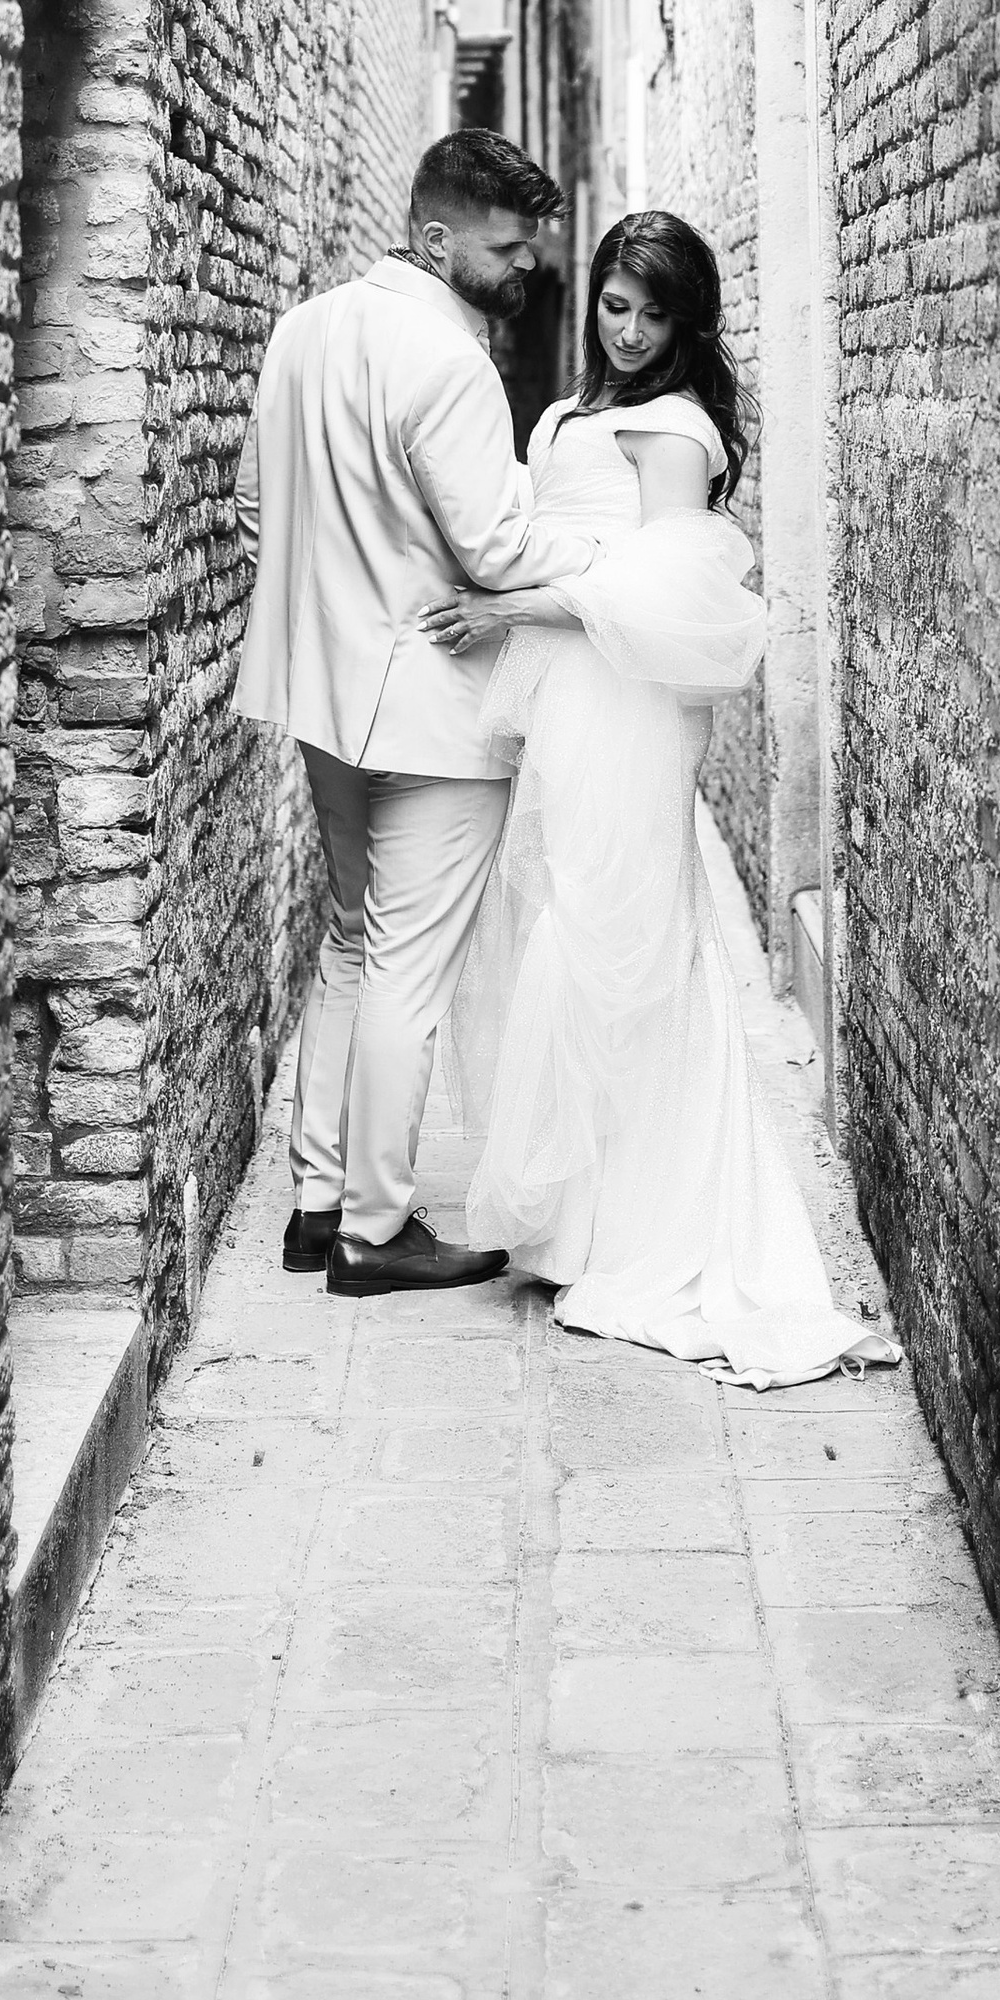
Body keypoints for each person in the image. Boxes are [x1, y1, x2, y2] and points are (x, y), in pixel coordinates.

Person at [416, 210, 882, 1387]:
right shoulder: (568, 415)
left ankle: (652, 1228)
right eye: (614, 306)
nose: (628, 331)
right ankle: (582, 1223)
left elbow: (673, 594)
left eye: (652, 312)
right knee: (563, 921)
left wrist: (509, 613)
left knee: (623, 936)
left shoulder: (674, 428)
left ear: (686, 320)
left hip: (627, 704)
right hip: (567, 698)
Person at [234, 132, 597, 1296]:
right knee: (406, 966)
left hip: (319, 694)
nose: (526, 268)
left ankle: (314, 1201)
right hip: (434, 710)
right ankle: (377, 1235)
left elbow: (255, 506)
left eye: (531, 248)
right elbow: (495, 548)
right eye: (506, 248)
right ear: (436, 238)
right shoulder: (451, 364)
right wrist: (607, 547)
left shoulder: (302, 332)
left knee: (351, 938)